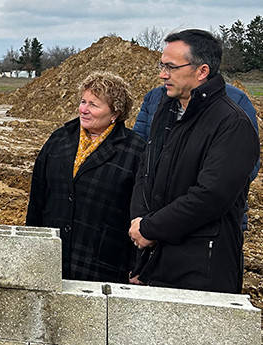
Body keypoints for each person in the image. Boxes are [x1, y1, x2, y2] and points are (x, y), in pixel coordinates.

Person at [129, 29, 259, 293]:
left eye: (171, 67)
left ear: (202, 71)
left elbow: (210, 197)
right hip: (155, 257)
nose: (162, 74)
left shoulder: (232, 124)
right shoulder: (166, 109)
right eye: (161, 65)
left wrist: (151, 228)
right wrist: (140, 224)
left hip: (201, 268)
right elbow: (146, 170)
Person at [26, 72, 145, 283]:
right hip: (53, 257)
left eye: (94, 105)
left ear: (115, 113)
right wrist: (31, 243)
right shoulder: (59, 140)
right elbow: (38, 198)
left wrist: (137, 264)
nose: (83, 109)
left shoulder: (135, 151)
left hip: (103, 262)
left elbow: (139, 211)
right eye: (83, 101)